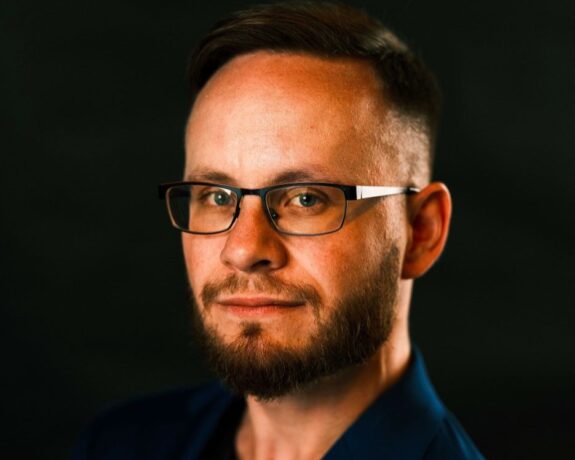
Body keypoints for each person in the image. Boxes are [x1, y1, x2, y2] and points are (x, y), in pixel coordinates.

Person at [73, 2, 483, 459]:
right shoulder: (119, 444)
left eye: (306, 199)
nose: (243, 249)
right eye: (217, 196)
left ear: (421, 232)